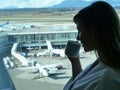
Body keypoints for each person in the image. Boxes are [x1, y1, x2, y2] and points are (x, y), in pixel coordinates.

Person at [64, 1, 120, 90]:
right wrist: (75, 61)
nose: (78, 37)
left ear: (95, 32)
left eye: (80, 31)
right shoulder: (101, 62)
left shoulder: (108, 77)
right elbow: (80, 84)